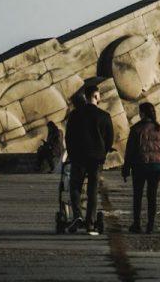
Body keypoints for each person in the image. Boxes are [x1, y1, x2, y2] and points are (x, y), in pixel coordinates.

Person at [64, 84, 114, 235]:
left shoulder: (74, 115)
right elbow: (109, 139)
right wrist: (102, 152)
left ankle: (78, 215)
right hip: (96, 158)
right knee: (92, 191)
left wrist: (72, 154)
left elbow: (69, 138)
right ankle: (90, 224)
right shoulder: (104, 116)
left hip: (79, 157)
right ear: (97, 96)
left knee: (75, 187)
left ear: (86, 96)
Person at [122, 102, 160, 234]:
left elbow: (129, 152)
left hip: (139, 166)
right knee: (152, 196)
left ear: (142, 114)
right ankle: (150, 225)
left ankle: (137, 224)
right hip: (156, 167)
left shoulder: (136, 129)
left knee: (137, 196)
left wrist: (126, 169)